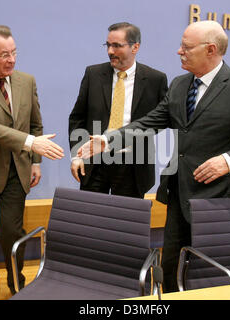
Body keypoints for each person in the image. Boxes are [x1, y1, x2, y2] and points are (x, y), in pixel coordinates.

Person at [77, 20, 230, 292]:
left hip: (219, 199)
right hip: (179, 194)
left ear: (211, 50)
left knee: (207, 273)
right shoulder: (180, 85)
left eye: (186, 47)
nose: (179, 51)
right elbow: (150, 122)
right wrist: (108, 139)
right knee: (171, 267)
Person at [0, 25, 64, 300]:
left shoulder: (26, 81)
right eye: (4, 54)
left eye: (14, 52)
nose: (12, 60)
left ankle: (17, 281)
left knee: (10, 231)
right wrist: (30, 143)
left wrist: (36, 161)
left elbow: (35, 123)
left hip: (18, 170)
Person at [69, 22, 168, 198]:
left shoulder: (155, 79)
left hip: (133, 164)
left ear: (135, 47)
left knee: (126, 222)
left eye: (117, 46)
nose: (110, 51)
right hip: (95, 161)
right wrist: (76, 155)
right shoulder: (93, 74)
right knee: (91, 220)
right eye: (108, 45)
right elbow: (77, 117)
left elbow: (160, 120)